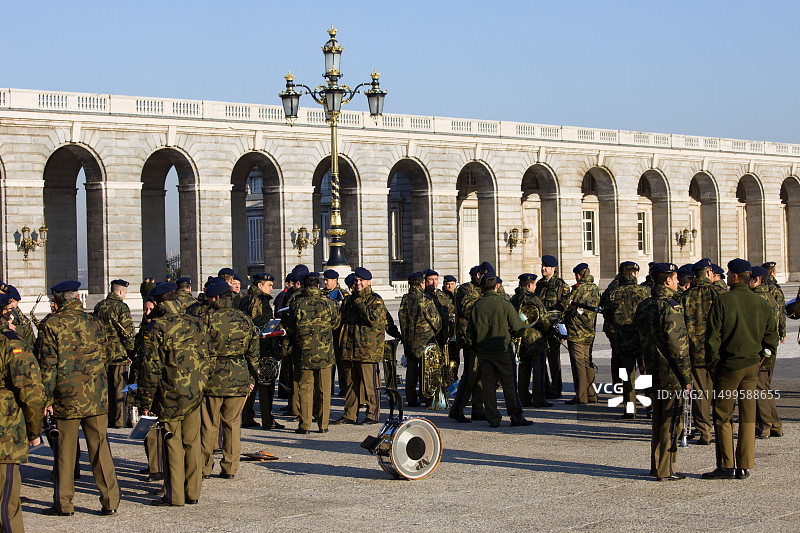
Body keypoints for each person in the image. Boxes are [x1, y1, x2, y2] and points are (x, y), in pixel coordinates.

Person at [36, 281, 120, 516]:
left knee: (65, 451)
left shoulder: (51, 325)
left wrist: (46, 400)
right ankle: (110, 501)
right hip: (95, 394)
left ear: (58, 299)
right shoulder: (95, 322)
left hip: (67, 397)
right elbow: (106, 355)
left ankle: (64, 504)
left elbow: (47, 367)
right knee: (100, 449)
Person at [702, 259, 778, 480]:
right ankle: (744, 465)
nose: (726, 276)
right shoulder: (761, 302)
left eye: (728, 273)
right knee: (748, 416)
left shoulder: (722, 301)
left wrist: (714, 364)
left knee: (723, 415)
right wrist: (762, 361)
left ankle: (726, 465)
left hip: (729, 365)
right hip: (752, 366)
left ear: (735, 276)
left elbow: (713, 338)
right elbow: (771, 337)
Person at [139, 282, 210, 506]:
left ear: (157, 302)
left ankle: (175, 495)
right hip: (193, 392)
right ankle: (193, 492)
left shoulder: (157, 327)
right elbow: (207, 357)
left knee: (172, 444)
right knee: (192, 443)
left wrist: (145, 400)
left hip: (169, 394)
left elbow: (150, 369)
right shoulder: (195, 323)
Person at [634, 263, 692, 481]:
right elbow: (678, 346)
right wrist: (686, 377)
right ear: (668, 280)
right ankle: (665, 469)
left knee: (658, 420)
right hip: (670, 372)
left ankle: (657, 464)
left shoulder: (645, 305)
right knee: (671, 420)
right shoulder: (671, 306)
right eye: (675, 278)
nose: (678, 282)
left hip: (650, 368)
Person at [200, 280, 259, 480]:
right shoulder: (244, 319)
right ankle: (230, 467)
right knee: (232, 424)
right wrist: (251, 377)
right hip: (238, 374)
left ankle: (204, 466)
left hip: (212, 377)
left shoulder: (206, 320)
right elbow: (254, 353)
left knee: (209, 424)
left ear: (216, 298)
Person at [0, 293, 46, 530]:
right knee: (7, 505)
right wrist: (33, 430)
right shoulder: (10, 343)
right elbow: (32, 394)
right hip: (5, 434)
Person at [466, 274, 532, 428]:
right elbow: (518, 328)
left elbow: (470, 332)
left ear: (482, 288)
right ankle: (515, 416)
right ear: (497, 286)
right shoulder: (505, 304)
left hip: (483, 351)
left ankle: (493, 418)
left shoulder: (477, 306)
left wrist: (476, 347)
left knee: (489, 386)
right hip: (502, 350)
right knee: (509, 384)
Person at [284, 272, 340, 434]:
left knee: (305, 389)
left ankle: (305, 425)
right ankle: (323, 425)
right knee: (324, 389)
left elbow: (290, 328)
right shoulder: (329, 303)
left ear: (304, 286)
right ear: (318, 285)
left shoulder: (297, 304)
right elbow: (336, 323)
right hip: (325, 353)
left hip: (304, 353)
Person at [333, 268, 387, 425]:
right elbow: (342, 321)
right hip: (350, 348)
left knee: (370, 386)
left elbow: (372, 319)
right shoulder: (349, 300)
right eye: (356, 280)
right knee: (350, 384)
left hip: (367, 350)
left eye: (361, 281)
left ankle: (372, 414)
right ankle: (350, 414)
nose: (358, 283)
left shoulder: (375, 300)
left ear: (368, 282)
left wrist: (358, 302)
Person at [604, 261, 650, 418]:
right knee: (646, 373)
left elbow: (607, 315)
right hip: (642, 339)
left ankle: (630, 409)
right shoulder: (644, 291)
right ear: (635, 274)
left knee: (626, 375)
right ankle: (650, 407)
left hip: (623, 340)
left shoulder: (613, 293)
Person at [239, 273, 284, 430]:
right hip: (262, 348)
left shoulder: (245, 299)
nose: (271, 288)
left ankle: (247, 417)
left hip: (249, 348)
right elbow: (261, 325)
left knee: (251, 383)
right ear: (260, 285)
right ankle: (267, 419)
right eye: (269, 285)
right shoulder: (259, 300)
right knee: (266, 385)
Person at [681, 258, 717, 445]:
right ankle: (723, 427)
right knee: (721, 392)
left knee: (701, 393)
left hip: (695, 352)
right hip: (717, 352)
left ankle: (704, 431)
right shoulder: (719, 294)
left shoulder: (686, 296)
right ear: (709, 273)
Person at [93, 279, 135, 428]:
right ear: (121, 292)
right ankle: (120, 419)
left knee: (107, 388)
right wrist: (131, 352)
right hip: (119, 354)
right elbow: (128, 333)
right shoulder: (121, 307)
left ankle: (108, 417)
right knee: (120, 388)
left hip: (103, 353)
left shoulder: (99, 306)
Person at [129, 297, 163, 482]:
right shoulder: (144, 329)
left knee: (153, 428)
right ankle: (152, 464)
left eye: (150, 309)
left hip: (154, 385)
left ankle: (157, 468)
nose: (147, 313)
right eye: (145, 309)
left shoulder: (157, 329)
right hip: (141, 381)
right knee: (146, 429)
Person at [449, 264, 487, 423]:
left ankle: (478, 409)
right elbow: (466, 308)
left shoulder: (483, 289)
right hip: (469, 339)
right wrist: (485, 303)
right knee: (470, 375)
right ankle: (457, 409)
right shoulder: (465, 289)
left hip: (482, 338)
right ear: (478, 275)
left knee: (480, 376)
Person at [749, 266, 784, 439]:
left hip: (760, 349)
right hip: (770, 348)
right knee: (764, 387)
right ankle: (775, 424)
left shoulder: (755, 300)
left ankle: (765, 425)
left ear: (755, 280)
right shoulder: (771, 297)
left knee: (759, 388)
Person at [399, 272, 441, 407]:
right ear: (421, 283)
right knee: (426, 370)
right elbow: (436, 321)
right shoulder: (425, 299)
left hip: (409, 341)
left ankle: (411, 398)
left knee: (411, 371)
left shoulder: (405, 299)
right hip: (425, 341)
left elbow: (401, 317)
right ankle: (426, 397)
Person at [562, 263, 601, 405]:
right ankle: (592, 394)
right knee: (587, 362)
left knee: (578, 364)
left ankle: (581, 396)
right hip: (589, 331)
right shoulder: (595, 288)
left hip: (576, 331)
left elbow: (565, 305)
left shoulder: (578, 289)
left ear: (578, 275)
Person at [510, 273, 550, 407]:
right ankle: (539, 399)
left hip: (521, 340)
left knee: (523, 371)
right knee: (539, 371)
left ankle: (523, 398)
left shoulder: (514, 299)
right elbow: (544, 320)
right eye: (534, 284)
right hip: (535, 339)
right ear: (529, 285)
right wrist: (548, 330)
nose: (535, 287)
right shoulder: (534, 299)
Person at [533, 255, 570, 399]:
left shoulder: (561, 285)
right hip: (541, 327)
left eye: (546, 267)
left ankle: (556, 388)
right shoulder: (539, 284)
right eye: (542, 266)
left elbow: (565, 309)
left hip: (554, 328)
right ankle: (544, 387)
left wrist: (563, 331)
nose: (543, 269)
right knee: (541, 358)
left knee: (554, 359)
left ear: (553, 268)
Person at [321, 270, 349, 396]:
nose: (325, 282)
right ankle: (328, 387)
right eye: (325, 280)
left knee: (340, 361)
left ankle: (343, 387)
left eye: (327, 280)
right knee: (327, 362)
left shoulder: (342, 294)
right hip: (326, 333)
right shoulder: (322, 294)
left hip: (339, 332)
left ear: (335, 281)